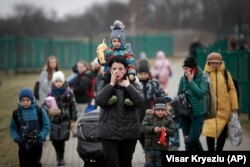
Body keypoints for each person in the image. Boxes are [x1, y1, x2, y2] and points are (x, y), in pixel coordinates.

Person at [95, 57, 144, 167]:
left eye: (121, 68)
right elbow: (100, 101)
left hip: (129, 134)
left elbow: (140, 102)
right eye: (114, 68)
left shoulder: (134, 84)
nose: (117, 71)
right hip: (108, 134)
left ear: (126, 69)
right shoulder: (104, 83)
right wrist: (111, 84)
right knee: (113, 164)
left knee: (126, 163)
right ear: (110, 70)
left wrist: (128, 86)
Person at [202, 52, 238, 151]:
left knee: (222, 133)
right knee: (210, 133)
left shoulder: (226, 74)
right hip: (210, 110)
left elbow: (232, 89)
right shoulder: (205, 75)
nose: (215, 64)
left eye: (217, 63)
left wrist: (234, 106)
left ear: (220, 63)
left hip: (224, 109)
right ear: (208, 63)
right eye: (213, 63)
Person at [96, 20, 136, 106]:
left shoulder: (126, 51)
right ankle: (111, 96)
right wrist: (100, 56)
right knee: (107, 81)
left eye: (118, 41)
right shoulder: (109, 51)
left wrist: (131, 72)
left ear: (123, 41)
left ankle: (129, 98)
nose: (116, 43)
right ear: (111, 42)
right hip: (110, 72)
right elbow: (104, 62)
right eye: (114, 41)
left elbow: (131, 62)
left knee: (128, 82)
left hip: (123, 72)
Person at [43, 71, 77, 166]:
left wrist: (73, 119)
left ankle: (60, 157)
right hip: (53, 121)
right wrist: (48, 110)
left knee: (61, 140)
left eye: (60, 81)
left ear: (63, 81)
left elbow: (73, 106)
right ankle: (58, 154)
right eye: (56, 81)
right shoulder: (50, 93)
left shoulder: (68, 93)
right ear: (53, 82)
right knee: (54, 140)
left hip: (64, 121)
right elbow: (43, 106)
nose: (58, 83)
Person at [9, 87, 50, 167]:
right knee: (24, 164)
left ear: (32, 99)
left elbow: (46, 126)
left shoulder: (40, 111)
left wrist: (40, 137)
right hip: (23, 146)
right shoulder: (16, 113)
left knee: (36, 163)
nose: (25, 102)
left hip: (37, 146)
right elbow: (12, 128)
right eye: (23, 100)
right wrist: (17, 138)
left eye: (27, 100)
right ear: (20, 101)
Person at [177, 56, 208, 151]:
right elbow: (179, 95)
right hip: (185, 114)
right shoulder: (183, 79)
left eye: (186, 69)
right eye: (184, 69)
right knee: (187, 141)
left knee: (193, 139)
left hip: (198, 114)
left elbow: (200, 93)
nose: (185, 71)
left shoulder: (202, 78)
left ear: (193, 68)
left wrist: (191, 82)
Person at [137, 62, 165, 148]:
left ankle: (152, 151)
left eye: (145, 74)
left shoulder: (154, 83)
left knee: (153, 134)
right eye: (141, 74)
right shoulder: (136, 84)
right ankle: (146, 149)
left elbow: (162, 95)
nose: (143, 76)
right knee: (140, 134)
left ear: (148, 74)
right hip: (139, 115)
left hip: (152, 114)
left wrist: (159, 108)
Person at [141, 97, 175, 167]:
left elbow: (173, 131)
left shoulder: (168, 118)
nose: (160, 112)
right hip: (150, 147)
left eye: (162, 110)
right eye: (158, 110)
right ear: (154, 109)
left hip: (163, 148)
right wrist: (153, 129)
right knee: (149, 164)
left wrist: (166, 129)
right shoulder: (148, 116)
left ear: (165, 110)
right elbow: (143, 128)